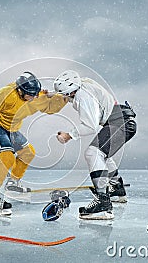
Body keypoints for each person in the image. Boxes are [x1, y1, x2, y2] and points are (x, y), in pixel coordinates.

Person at [0, 71, 67, 215]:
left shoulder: (35, 97)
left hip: (11, 128)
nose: (34, 98)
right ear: (20, 91)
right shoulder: (6, 93)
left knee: (28, 152)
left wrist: (65, 97)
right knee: (6, 156)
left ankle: (13, 184)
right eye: (30, 94)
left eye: (36, 94)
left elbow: (50, 107)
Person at [54, 70, 137, 220]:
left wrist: (68, 135)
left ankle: (102, 203)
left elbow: (90, 126)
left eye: (64, 95)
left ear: (70, 92)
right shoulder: (83, 83)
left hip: (120, 123)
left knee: (93, 153)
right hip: (122, 120)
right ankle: (116, 189)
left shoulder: (83, 96)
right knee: (101, 154)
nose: (64, 98)